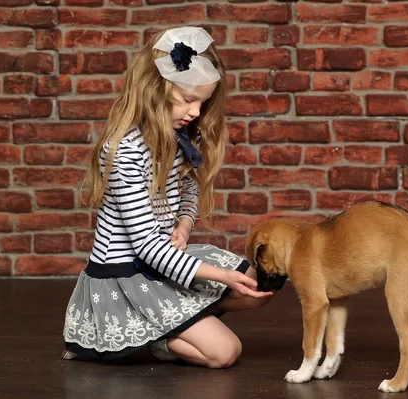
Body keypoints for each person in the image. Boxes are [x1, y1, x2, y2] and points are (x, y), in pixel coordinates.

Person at [61, 26, 273, 368]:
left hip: (159, 262)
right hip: (127, 275)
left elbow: (188, 190)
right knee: (224, 353)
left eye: (202, 103)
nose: (195, 112)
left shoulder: (174, 137)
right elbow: (145, 244)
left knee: (257, 286)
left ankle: (175, 320)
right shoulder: (123, 152)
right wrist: (221, 276)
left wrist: (185, 226)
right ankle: (160, 338)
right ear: (156, 91)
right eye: (188, 100)